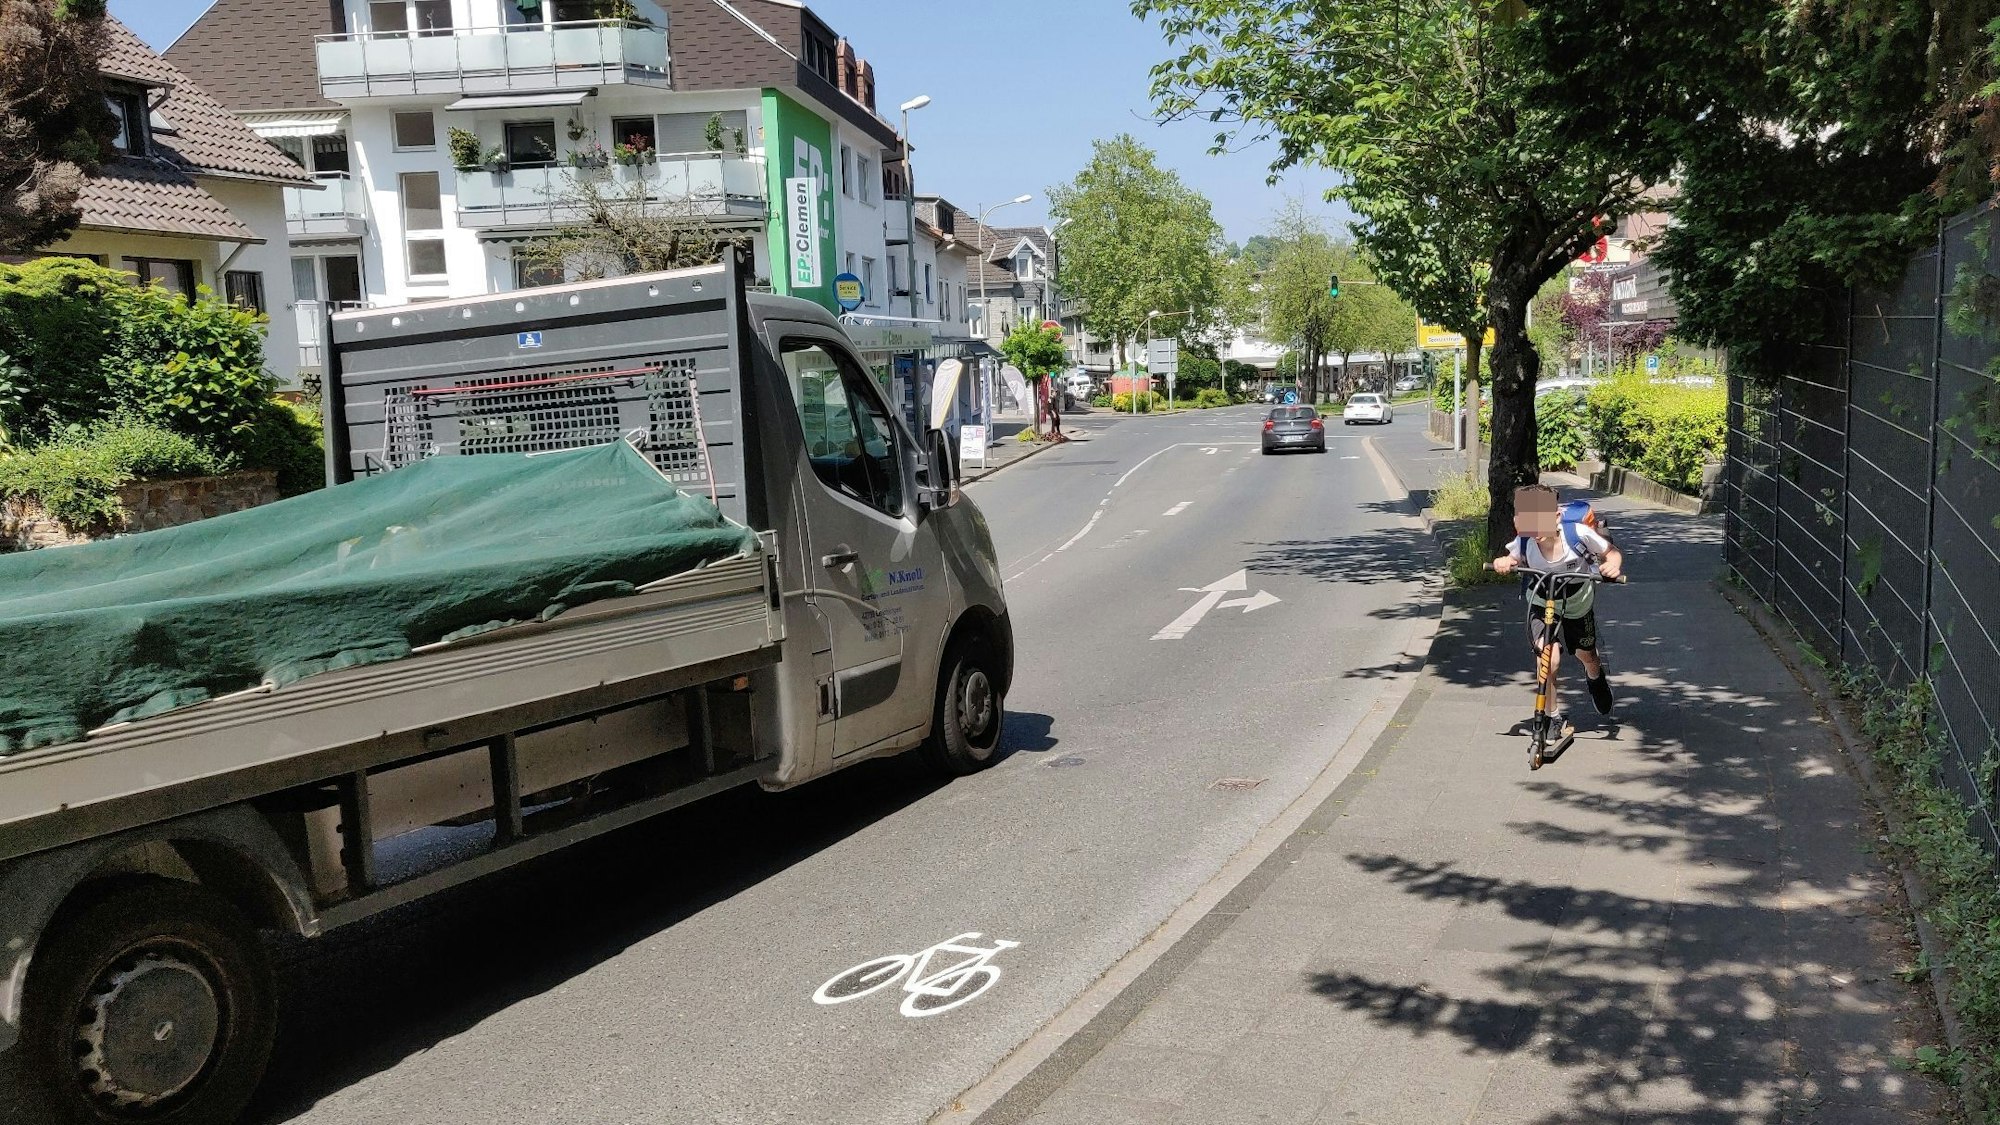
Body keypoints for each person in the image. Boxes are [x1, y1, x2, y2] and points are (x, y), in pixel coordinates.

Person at [1491, 485, 1623, 718]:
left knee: (1587, 655)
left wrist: (1612, 565)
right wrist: (1504, 562)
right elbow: (1512, 558)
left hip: (1576, 604)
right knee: (1547, 659)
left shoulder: (1578, 534)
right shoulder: (1524, 542)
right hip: (1542, 602)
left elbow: (1611, 552)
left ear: (1556, 516)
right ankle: (1550, 716)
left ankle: (1595, 675)